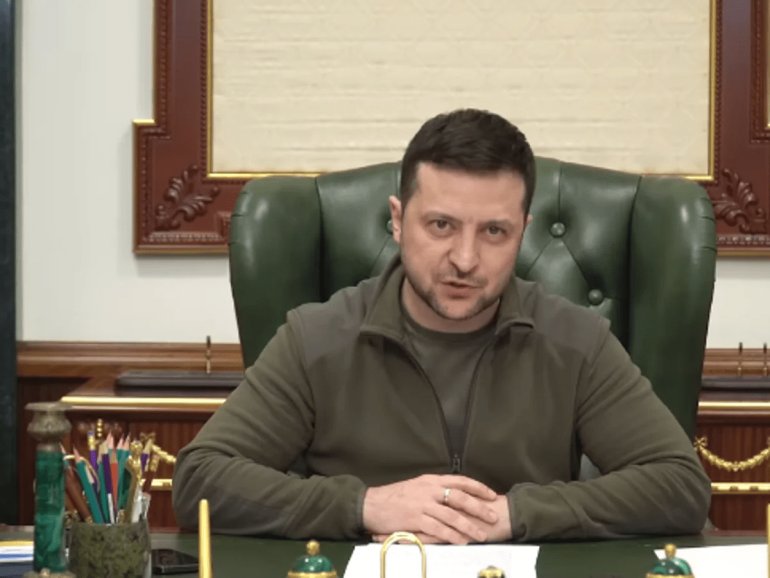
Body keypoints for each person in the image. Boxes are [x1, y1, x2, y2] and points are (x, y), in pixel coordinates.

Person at [172, 109, 711, 544]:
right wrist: (364, 505)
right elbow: (201, 479)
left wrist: (514, 514)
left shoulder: (575, 339)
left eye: (494, 232)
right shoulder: (317, 337)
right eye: (441, 225)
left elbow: (681, 485)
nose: (465, 259)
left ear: (523, 232)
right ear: (397, 220)